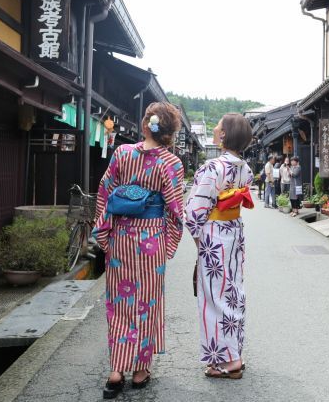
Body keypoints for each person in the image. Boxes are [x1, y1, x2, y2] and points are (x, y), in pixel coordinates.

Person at [93, 102, 185, 399]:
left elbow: (105, 192)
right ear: (170, 132)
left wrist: (104, 233)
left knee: (120, 303)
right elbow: (175, 209)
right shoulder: (171, 163)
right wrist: (169, 243)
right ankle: (140, 369)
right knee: (147, 303)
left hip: (121, 236)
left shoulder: (122, 153)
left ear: (145, 124)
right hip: (151, 238)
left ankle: (116, 370)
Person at [185, 113, 254, 379]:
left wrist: (198, 240)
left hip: (213, 235)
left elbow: (194, 211)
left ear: (224, 134)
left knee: (215, 297)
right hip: (234, 232)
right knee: (233, 292)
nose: (214, 129)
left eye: (218, 127)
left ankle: (227, 361)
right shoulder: (245, 168)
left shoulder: (213, 167)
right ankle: (234, 353)